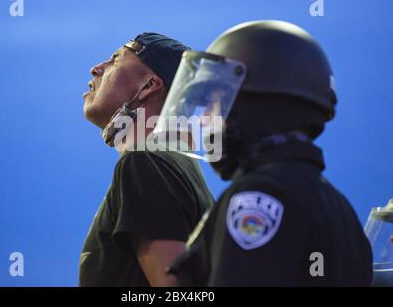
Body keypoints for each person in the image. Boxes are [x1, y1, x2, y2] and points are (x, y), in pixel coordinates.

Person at [158, 20, 373, 286]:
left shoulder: (259, 195)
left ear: (252, 102)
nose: (203, 121)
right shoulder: (342, 212)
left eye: (215, 102)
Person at [79, 32, 215, 286]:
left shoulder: (145, 162)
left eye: (115, 60)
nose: (96, 69)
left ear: (150, 85)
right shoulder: (180, 172)